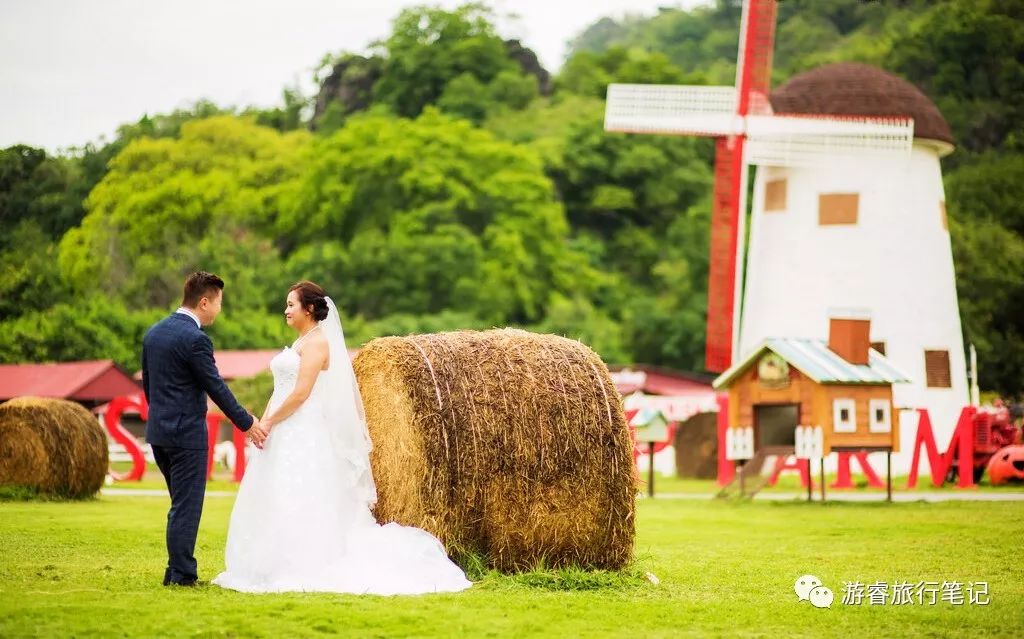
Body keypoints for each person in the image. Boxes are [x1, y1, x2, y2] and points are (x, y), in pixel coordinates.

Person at [212, 281, 471, 594]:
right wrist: (264, 424)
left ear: (309, 309)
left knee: (301, 492)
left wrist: (268, 421)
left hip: (301, 427)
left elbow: (300, 394)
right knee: (275, 490)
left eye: (291, 304)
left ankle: (303, 562)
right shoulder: (299, 343)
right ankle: (269, 561)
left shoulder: (318, 343)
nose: (286, 310)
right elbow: (280, 389)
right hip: (281, 426)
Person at [142, 271, 268, 587]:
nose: (219, 310)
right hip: (186, 437)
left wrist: (161, 417)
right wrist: (247, 422)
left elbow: (148, 386)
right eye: (219, 303)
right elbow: (215, 387)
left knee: (179, 505)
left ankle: (174, 572)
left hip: (158, 433)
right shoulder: (196, 339)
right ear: (204, 302)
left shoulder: (153, 334)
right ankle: (183, 576)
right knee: (186, 507)